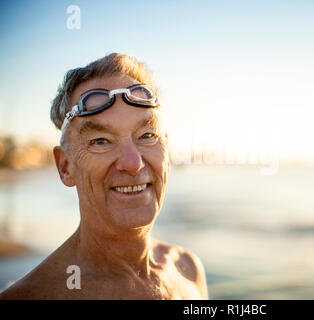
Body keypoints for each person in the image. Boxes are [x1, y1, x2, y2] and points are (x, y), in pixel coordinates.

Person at [0, 53, 208, 299]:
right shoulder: (33, 296)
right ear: (66, 167)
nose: (133, 163)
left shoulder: (186, 269)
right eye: (101, 141)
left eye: (147, 135)